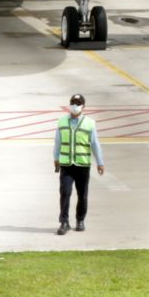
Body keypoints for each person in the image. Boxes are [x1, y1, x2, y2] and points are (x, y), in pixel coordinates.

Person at [53, 93, 104, 235]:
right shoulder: (62, 121)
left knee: (82, 195)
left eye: (78, 103)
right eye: (73, 103)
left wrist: (100, 162)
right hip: (66, 165)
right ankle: (64, 222)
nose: (75, 106)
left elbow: (95, 144)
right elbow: (57, 141)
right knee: (65, 193)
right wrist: (55, 158)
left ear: (83, 106)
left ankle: (80, 220)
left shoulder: (90, 123)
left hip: (82, 165)